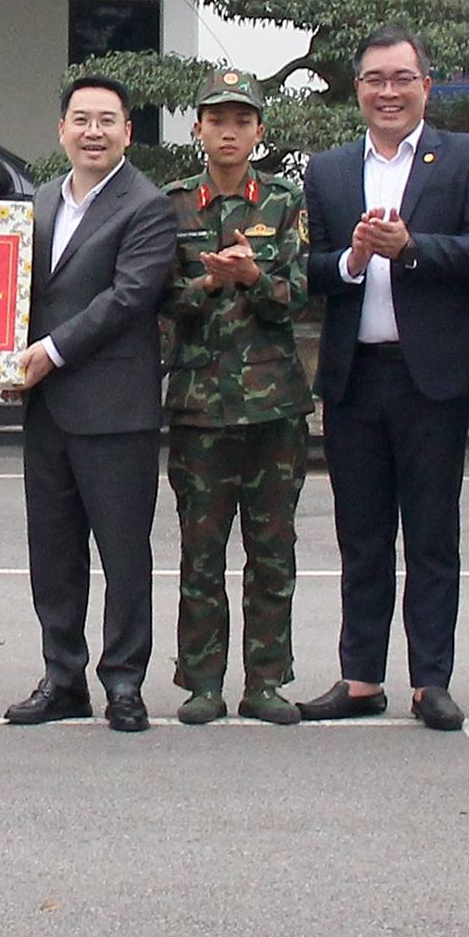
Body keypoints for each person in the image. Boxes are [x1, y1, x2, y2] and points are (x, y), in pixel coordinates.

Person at [297, 28, 469, 732]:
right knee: (360, 537)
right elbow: (311, 270)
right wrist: (354, 260)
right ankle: (360, 676)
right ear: (356, 89)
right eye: (373, 80)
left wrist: (412, 248)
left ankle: (430, 681)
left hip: (433, 378)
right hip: (355, 379)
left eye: (401, 78)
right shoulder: (327, 169)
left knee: (430, 535)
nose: (387, 92)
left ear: (427, 85)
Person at [6, 74, 180, 732]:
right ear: (61, 131)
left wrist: (48, 351)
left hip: (116, 411)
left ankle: (125, 681)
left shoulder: (148, 206)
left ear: (129, 132)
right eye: (81, 119)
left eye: (107, 120)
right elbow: (17, 294)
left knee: (124, 554)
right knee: (52, 553)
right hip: (47, 409)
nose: (93, 132)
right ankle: (61, 677)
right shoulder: (43, 200)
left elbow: (128, 298)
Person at [159, 68, 311, 727]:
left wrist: (254, 277)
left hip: (274, 404)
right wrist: (208, 287)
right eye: (217, 119)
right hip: (200, 406)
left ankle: (267, 681)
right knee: (202, 549)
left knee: (273, 550)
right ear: (197, 129)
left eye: (242, 121)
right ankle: (202, 682)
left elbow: (302, 294)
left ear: (259, 132)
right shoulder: (172, 204)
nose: (229, 131)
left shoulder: (284, 201)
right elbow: (159, 299)